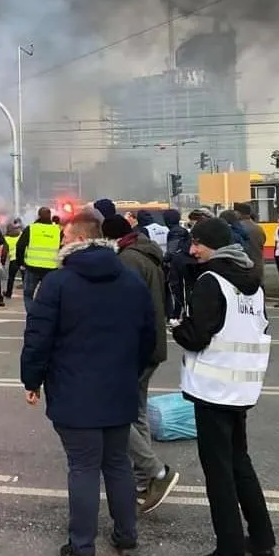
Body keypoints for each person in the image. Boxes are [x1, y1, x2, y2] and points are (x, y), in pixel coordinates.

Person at [21, 209, 156, 556]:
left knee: (82, 468)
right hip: (119, 388)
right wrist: (129, 372)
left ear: (79, 239)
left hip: (74, 392)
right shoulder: (129, 279)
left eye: (65, 238)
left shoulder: (57, 282)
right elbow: (148, 337)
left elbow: (38, 337)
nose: (61, 243)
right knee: (117, 464)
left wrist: (31, 380)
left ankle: (82, 546)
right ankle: (126, 537)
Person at [172, 217, 276, 556]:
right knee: (240, 463)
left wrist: (178, 329)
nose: (192, 250)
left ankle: (229, 548)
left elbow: (198, 335)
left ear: (212, 245)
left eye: (197, 243)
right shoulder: (253, 283)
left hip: (213, 389)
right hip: (242, 388)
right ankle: (262, 541)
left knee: (218, 473)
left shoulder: (211, 281)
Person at [101, 215, 179, 514]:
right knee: (137, 413)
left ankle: (157, 471)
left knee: (117, 415)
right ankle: (145, 479)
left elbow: (124, 310)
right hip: (151, 345)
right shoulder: (146, 252)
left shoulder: (128, 261)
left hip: (136, 349)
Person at [14, 207, 63, 313]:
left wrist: (20, 262)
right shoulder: (57, 230)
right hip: (51, 269)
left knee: (28, 295)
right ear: (50, 216)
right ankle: (48, 317)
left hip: (32, 267)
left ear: (38, 216)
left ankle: (32, 316)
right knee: (50, 296)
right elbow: (64, 247)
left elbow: (20, 246)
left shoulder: (31, 228)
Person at [233, 202, 267, 282]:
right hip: (257, 266)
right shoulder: (258, 228)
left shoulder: (237, 228)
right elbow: (263, 242)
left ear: (238, 213)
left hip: (242, 267)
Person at [2, 219, 23, 298]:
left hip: (13, 260)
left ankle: (8, 293)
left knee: (11, 278)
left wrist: (3, 261)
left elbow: (4, 252)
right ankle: (28, 293)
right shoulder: (21, 234)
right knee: (25, 278)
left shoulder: (7, 239)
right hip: (22, 260)